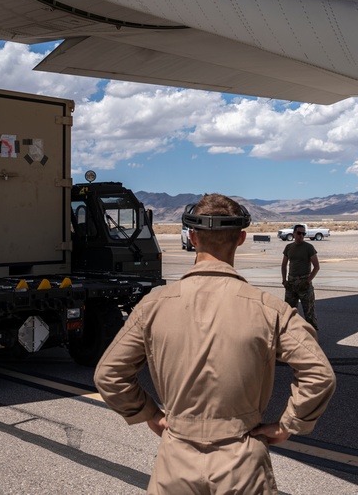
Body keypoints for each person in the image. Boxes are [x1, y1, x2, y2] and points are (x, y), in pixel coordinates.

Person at [94, 194, 336, 494]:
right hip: (243, 463)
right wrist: (289, 424)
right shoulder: (269, 309)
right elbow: (320, 374)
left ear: (192, 238)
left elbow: (108, 374)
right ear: (242, 239)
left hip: (176, 460)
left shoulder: (152, 306)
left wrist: (151, 414)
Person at [281, 224, 321, 330]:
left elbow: (316, 267)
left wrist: (307, 281)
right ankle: (290, 336)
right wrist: (284, 281)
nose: (301, 236)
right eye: (299, 233)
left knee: (309, 313)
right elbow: (284, 265)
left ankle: (312, 337)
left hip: (304, 283)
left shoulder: (309, 247)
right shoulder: (289, 247)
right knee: (289, 312)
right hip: (291, 283)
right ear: (293, 233)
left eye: (303, 234)